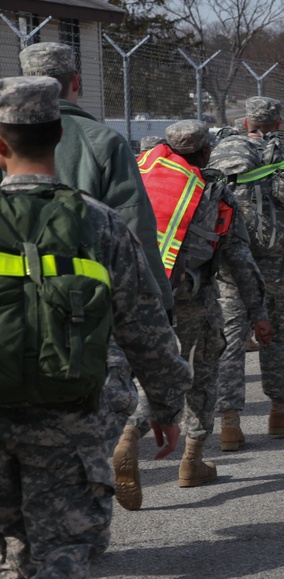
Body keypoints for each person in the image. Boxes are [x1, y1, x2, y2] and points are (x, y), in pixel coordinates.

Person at [0, 76, 191, 578]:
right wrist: (167, 407)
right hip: (72, 423)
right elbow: (145, 330)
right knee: (62, 557)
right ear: (60, 135)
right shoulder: (101, 224)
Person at [18, 41, 175, 446]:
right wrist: (161, 302)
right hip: (84, 312)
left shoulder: (8, 144)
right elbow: (136, 228)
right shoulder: (103, 141)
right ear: (76, 82)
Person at [112, 120, 273, 506]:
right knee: (197, 373)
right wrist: (259, 311)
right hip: (189, 296)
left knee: (143, 368)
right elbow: (239, 259)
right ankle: (191, 460)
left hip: (132, 289)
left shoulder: (141, 176)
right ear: (205, 153)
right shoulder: (214, 192)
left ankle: (127, 435)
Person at [213, 96, 284, 449]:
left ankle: (229, 423)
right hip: (274, 265)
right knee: (280, 333)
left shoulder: (219, 156)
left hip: (227, 267)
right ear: (277, 124)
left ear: (246, 122)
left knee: (229, 340)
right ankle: (280, 411)